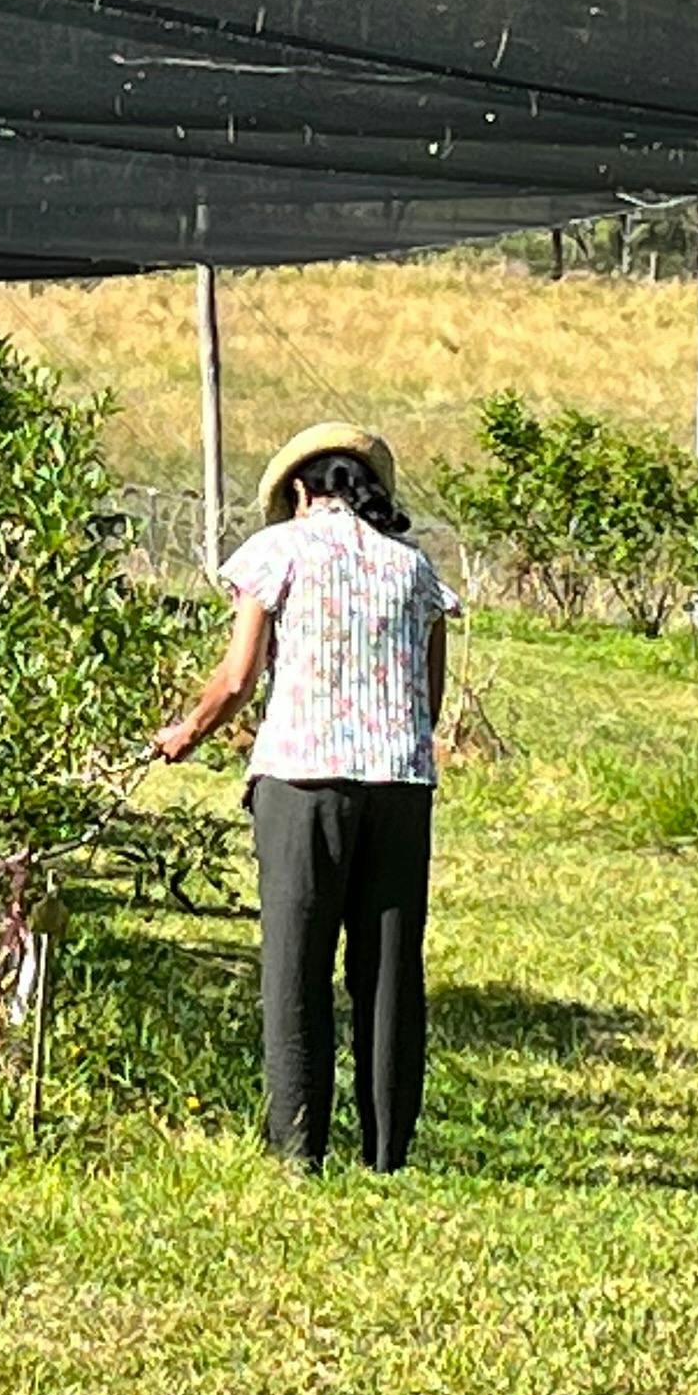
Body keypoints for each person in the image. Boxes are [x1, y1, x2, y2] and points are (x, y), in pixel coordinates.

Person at [151, 422, 461, 1175]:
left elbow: (237, 678)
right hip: (399, 788)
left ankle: (299, 1147)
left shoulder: (278, 552)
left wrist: (185, 733)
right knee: (389, 975)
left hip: (302, 780)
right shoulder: (414, 569)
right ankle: (388, 1153)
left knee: (297, 966)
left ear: (299, 491)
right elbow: (429, 693)